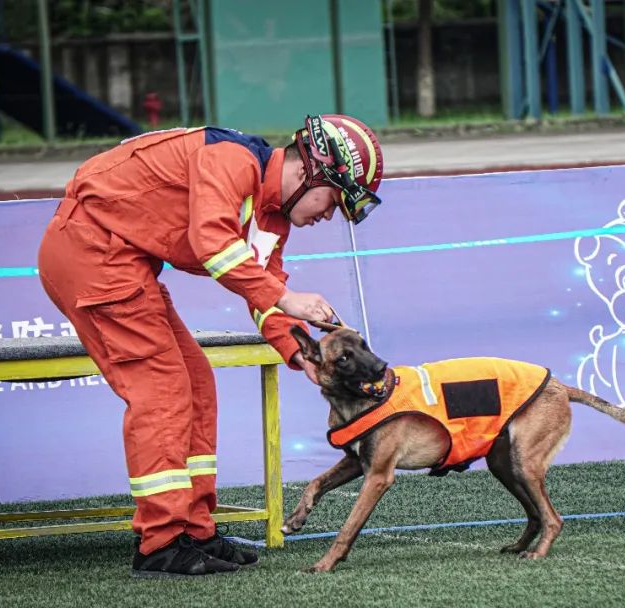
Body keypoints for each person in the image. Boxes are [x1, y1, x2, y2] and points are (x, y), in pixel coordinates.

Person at [36, 115, 384, 577]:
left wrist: (295, 349)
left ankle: (195, 530)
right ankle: (160, 542)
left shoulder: (272, 216)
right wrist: (286, 297)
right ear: (309, 172)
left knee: (197, 382)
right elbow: (213, 243)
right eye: (334, 201)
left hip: (125, 261)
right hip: (92, 252)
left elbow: (260, 287)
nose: (329, 216)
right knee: (161, 390)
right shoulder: (232, 159)